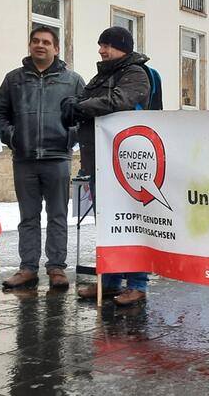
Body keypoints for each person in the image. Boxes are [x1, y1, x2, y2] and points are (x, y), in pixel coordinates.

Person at [62, 26, 152, 307]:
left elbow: (119, 101)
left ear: (123, 48)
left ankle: (137, 284)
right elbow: (93, 104)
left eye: (108, 45)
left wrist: (82, 106)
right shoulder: (103, 75)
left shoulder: (135, 74)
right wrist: (74, 106)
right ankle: (110, 281)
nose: (102, 50)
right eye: (101, 44)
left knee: (132, 223)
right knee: (109, 225)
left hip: (124, 164)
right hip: (99, 161)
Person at [0, 27, 84, 290]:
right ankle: (27, 268)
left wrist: (70, 138)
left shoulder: (73, 80)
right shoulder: (14, 80)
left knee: (58, 215)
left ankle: (56, 268)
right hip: (24, 158)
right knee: (28, 217)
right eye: (35, 41)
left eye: (46, 42)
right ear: (30, 45)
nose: (40, 45)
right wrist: (12, 137)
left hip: (58, 158)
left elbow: (85, 115)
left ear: (56, 49)